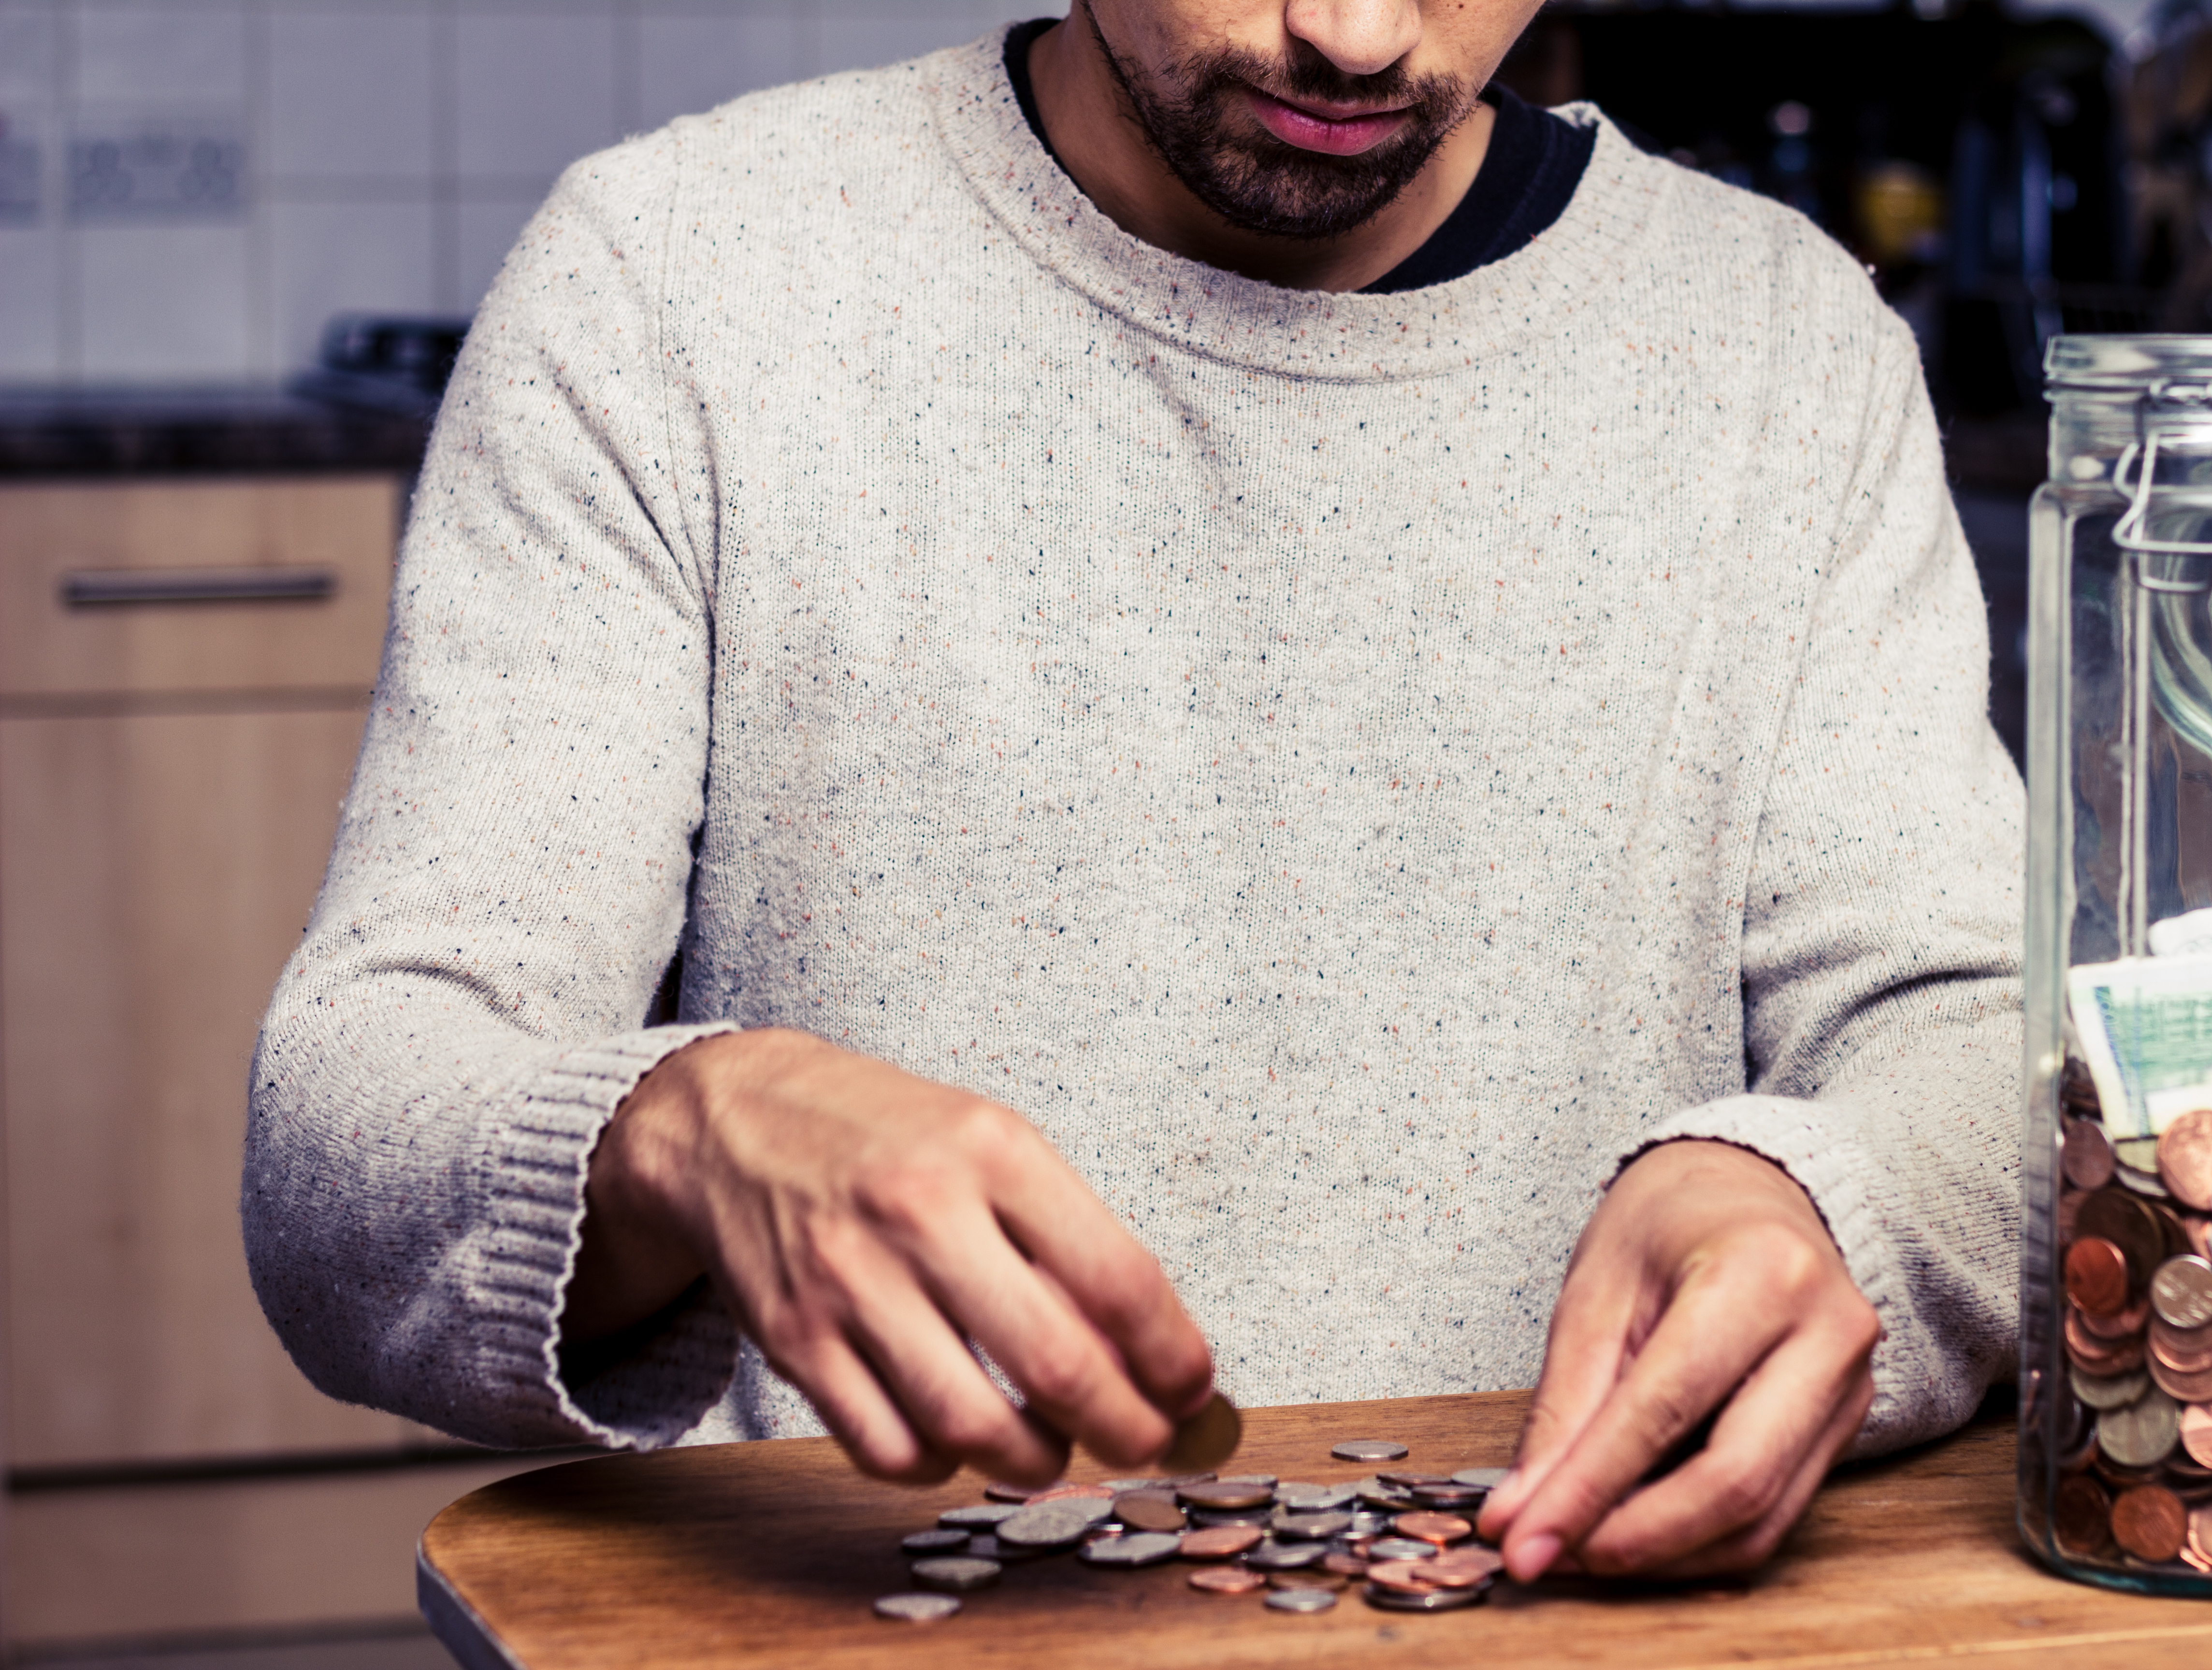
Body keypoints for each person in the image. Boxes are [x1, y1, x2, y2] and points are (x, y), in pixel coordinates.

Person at [245, 0, 2025, 1585]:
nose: (1353, 36)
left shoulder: (1783, 342)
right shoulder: (675, 284)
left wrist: (1819, 1201)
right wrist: (694, 1130)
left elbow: (1973, 1044)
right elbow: (347, 1151)